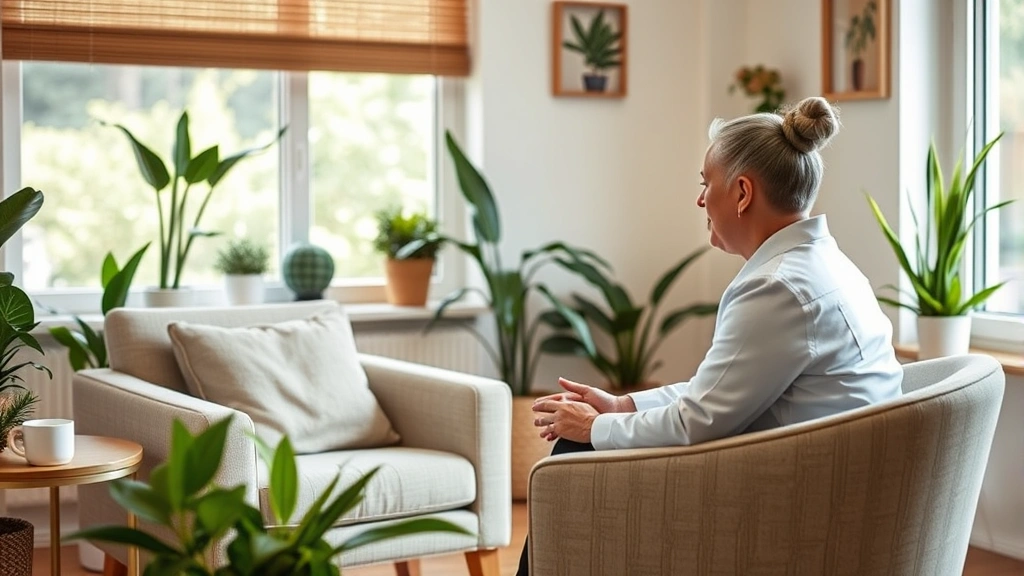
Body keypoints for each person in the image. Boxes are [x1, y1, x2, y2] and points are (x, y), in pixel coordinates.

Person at [516, 96, 904, 576]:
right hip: (839, 480)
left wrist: (592, 427)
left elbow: (697, 422)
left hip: (794, 500)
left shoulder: (776, 286)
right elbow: (721, 395)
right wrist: (623, 406)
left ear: (742, 193)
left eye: (707, 184)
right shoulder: (826, 265)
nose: (701, 200)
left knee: (576, 452)